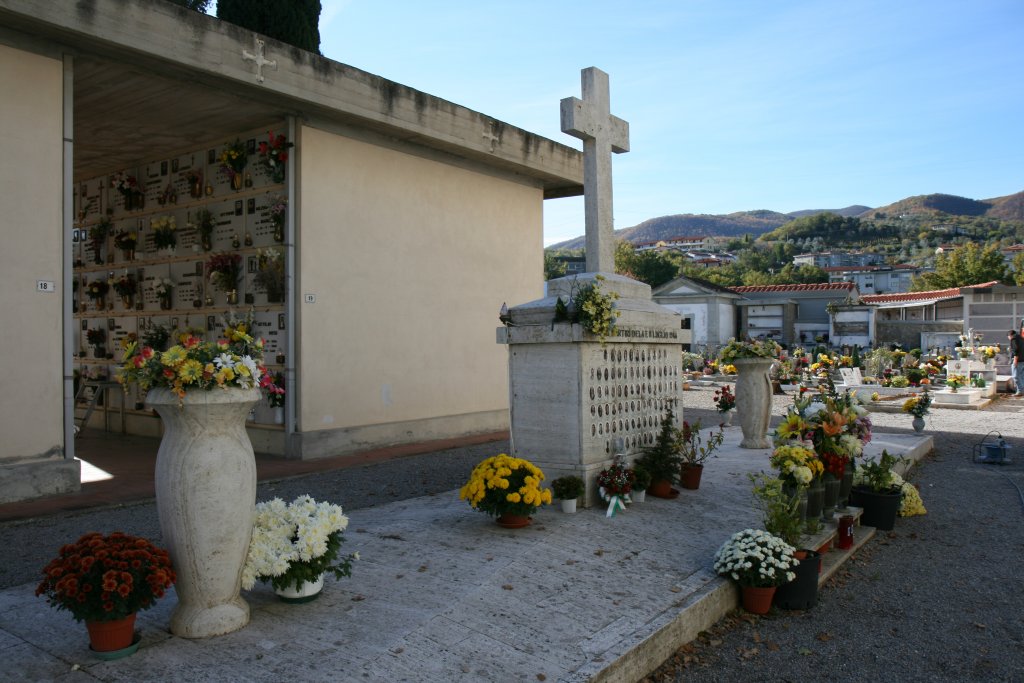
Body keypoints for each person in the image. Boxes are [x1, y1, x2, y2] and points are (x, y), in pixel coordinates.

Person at [1010, 330, 1024, 397]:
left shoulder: (1014, 339)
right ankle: (1021, 390)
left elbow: (1015, 349)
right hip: (1022, 360)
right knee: (1021, 376)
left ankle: (1020, 391)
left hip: (1018, 360)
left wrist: (1015, 360)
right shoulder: (1021, 338)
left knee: (1016, 376)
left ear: (1010, 335)